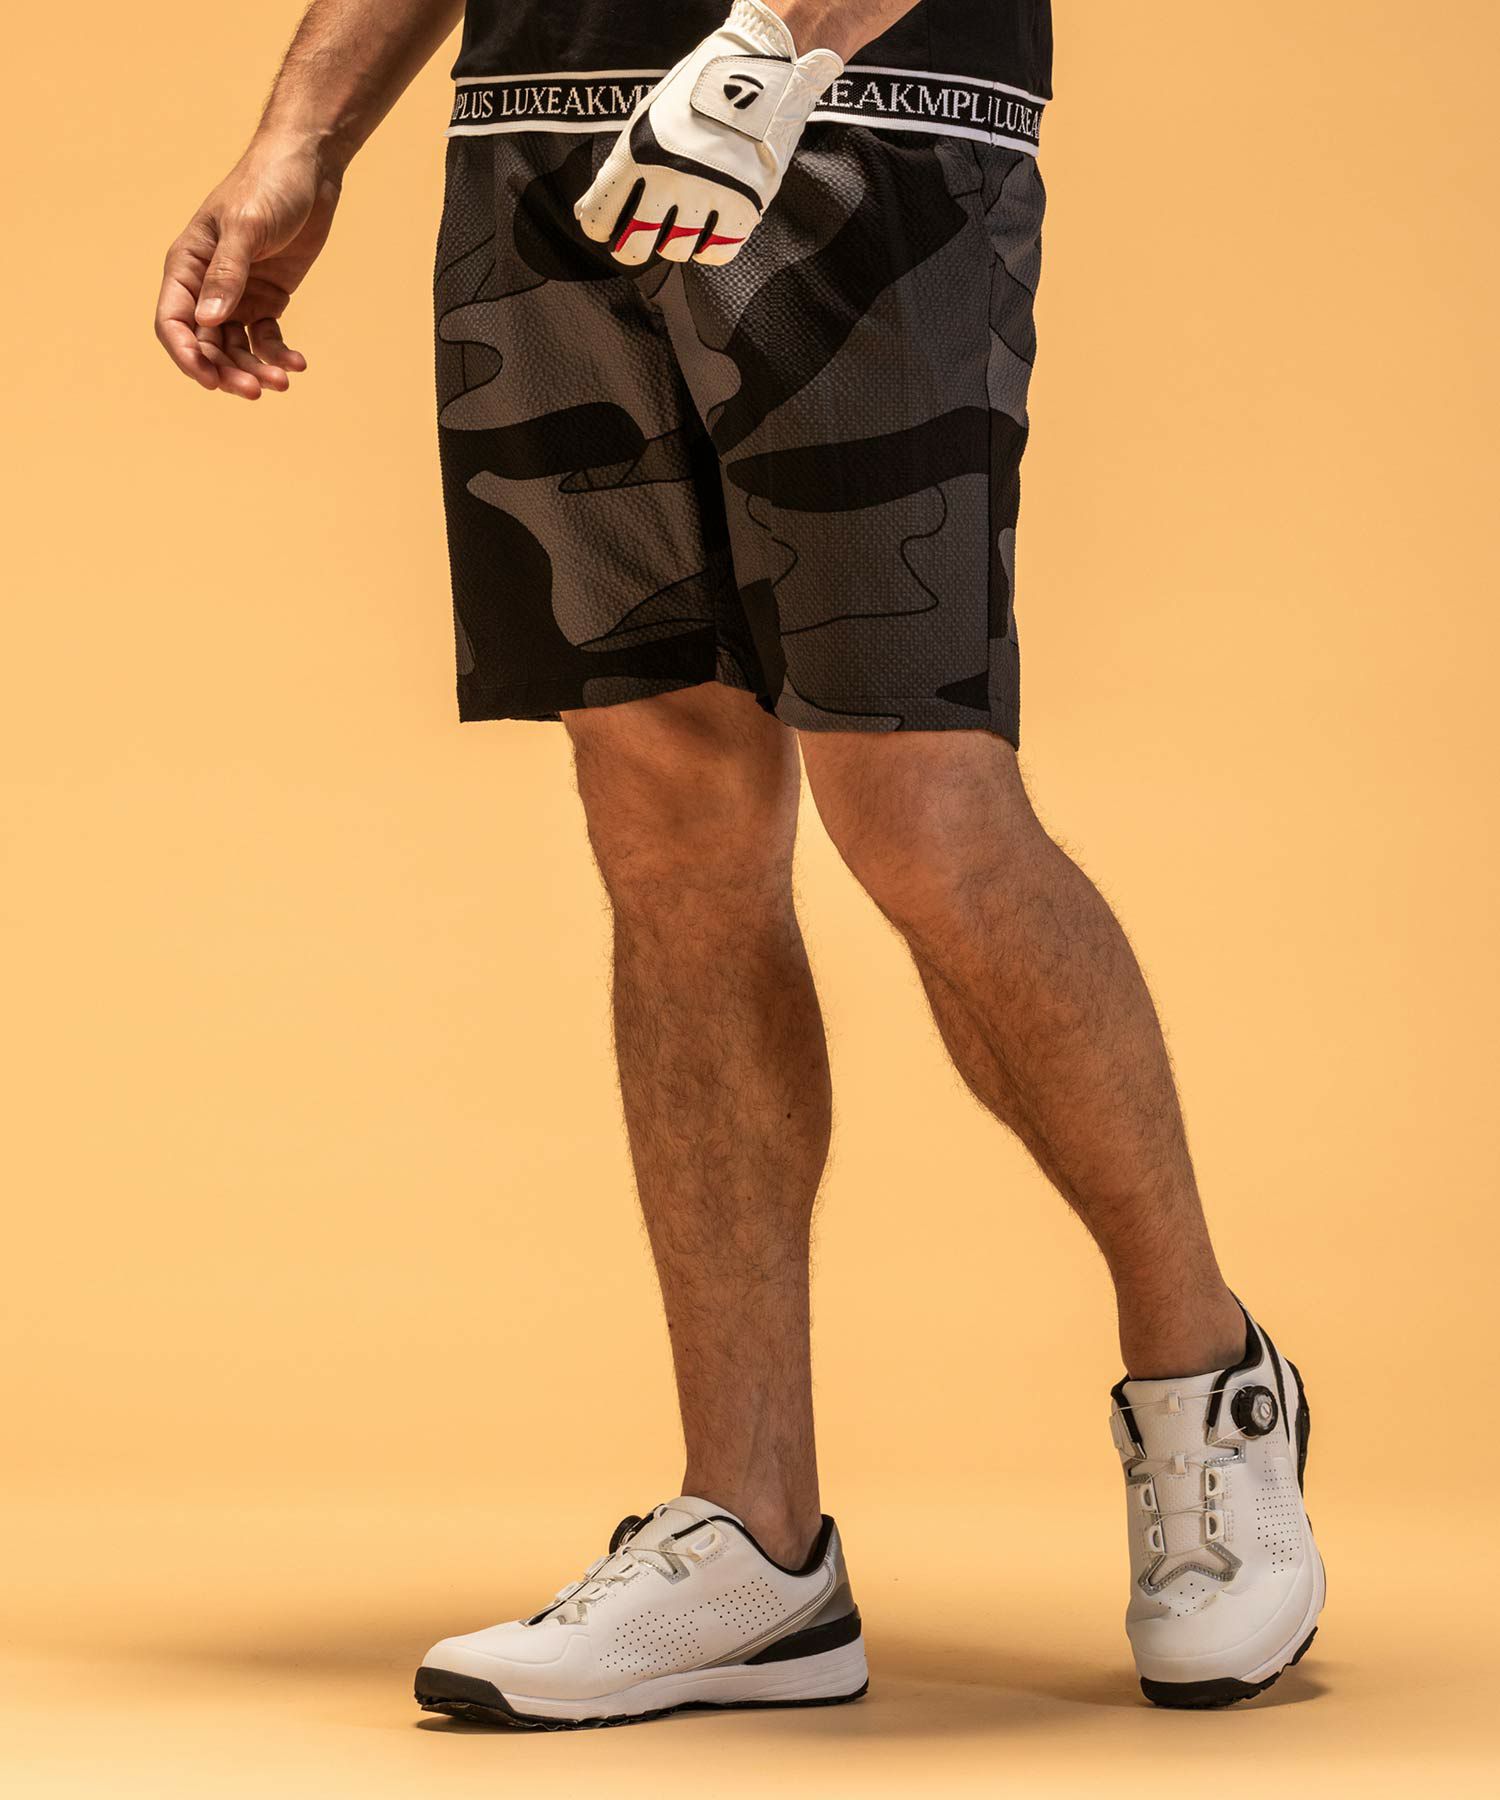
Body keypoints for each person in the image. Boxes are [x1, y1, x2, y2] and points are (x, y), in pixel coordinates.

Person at [155, 0, 1325, 1729]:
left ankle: (1208, 1384)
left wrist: (780, 44)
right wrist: (305, 134)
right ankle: (754, 1546)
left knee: (920, 809)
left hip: (865, 115)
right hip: (545, 135)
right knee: (666, 822)